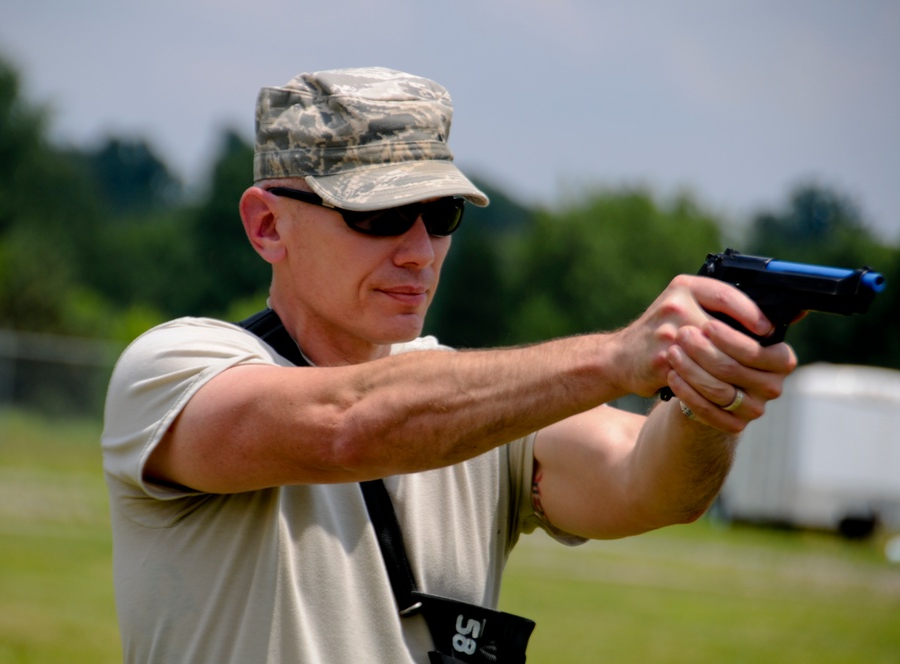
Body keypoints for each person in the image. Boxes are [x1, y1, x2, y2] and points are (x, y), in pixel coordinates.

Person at [101, 66, 797, 663]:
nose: (419, 252)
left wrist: (709, 389)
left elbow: (652, 484)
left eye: (440, 215)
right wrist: (619, 356)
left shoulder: (475, 403)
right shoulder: (173, 369)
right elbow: (348, 425)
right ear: (267, 224)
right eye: (378, 215)